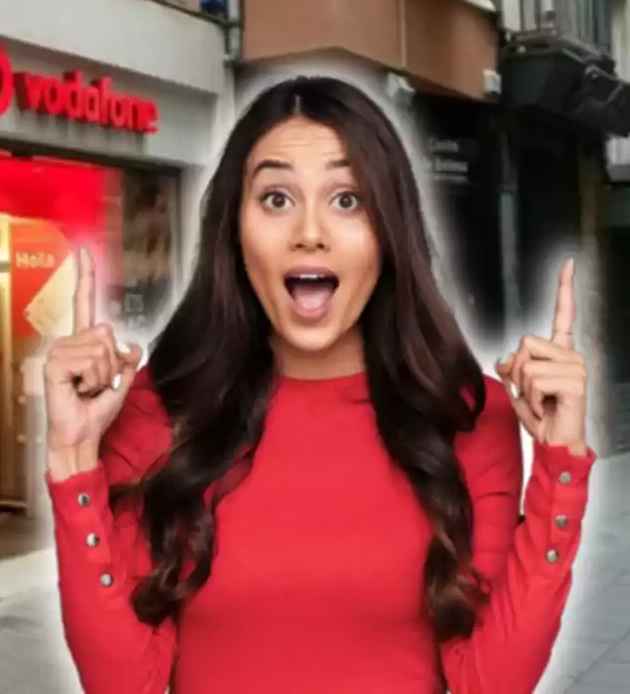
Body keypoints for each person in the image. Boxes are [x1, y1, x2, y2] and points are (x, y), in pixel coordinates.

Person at [43, 77, 594, 694]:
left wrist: (559, 470)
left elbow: (490, 683)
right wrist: (73, 461)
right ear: (235, 229)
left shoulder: (467, 417)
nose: (310, 231)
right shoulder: (158, 410)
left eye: (348, 199)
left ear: (389, 234)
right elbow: (123, 685)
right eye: (276, 199)